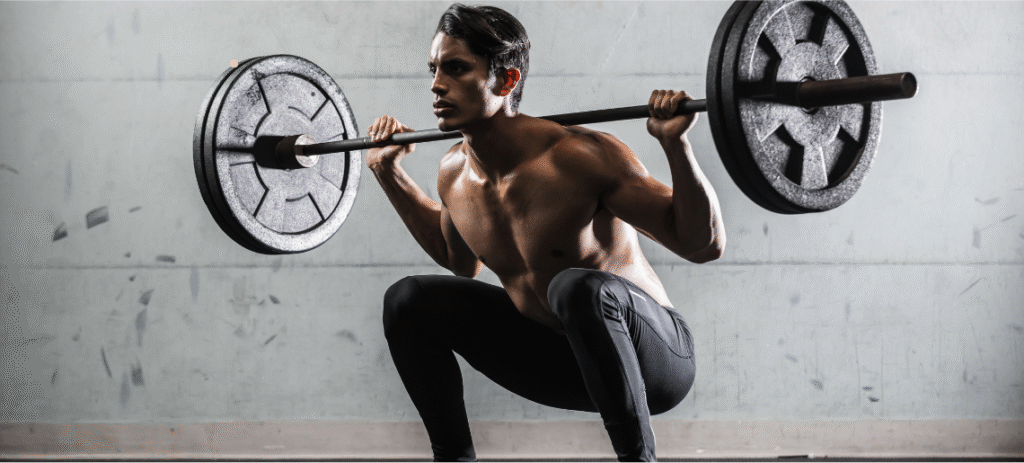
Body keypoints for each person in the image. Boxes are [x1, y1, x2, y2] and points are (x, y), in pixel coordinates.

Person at [365, 4, 725, 461]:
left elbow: (703, 244)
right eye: (434, 69)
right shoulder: (453, 172)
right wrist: (388, 173)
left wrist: (677, 145)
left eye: (456, 69)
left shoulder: (579, 157)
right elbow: (460, 262)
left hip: (653, 363)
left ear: (507, 81)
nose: (436, 85)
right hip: (559, 363)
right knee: (408, 300)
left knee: (575, 286)